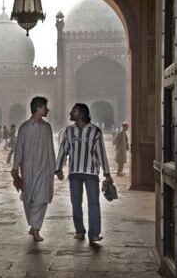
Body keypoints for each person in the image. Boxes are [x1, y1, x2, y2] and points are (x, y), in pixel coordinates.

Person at [55, 103, 113, 245]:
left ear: (81, 113)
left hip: (91, 172)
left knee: (93, 203)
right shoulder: (69, 131)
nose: (70, 113)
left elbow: (101, 153)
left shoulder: (95, 131)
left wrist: (106, 173)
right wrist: (58, 168)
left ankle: (94, 234)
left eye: (73, 111)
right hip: (74, 172)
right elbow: (64, 150)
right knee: (76, 203)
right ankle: (79, 230)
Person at [11, 96, 58, 242]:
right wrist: (15, 169)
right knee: (28, 200)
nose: (47, 109)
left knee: (41, 200)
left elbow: (51, 149)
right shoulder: (24, 128)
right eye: (45, 107)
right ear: (38, 108)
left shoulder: (47, 127)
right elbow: (19, 149)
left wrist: (55, 168)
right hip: (28, 170)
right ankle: (33, 224)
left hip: (44, 170)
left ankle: (36, 229)